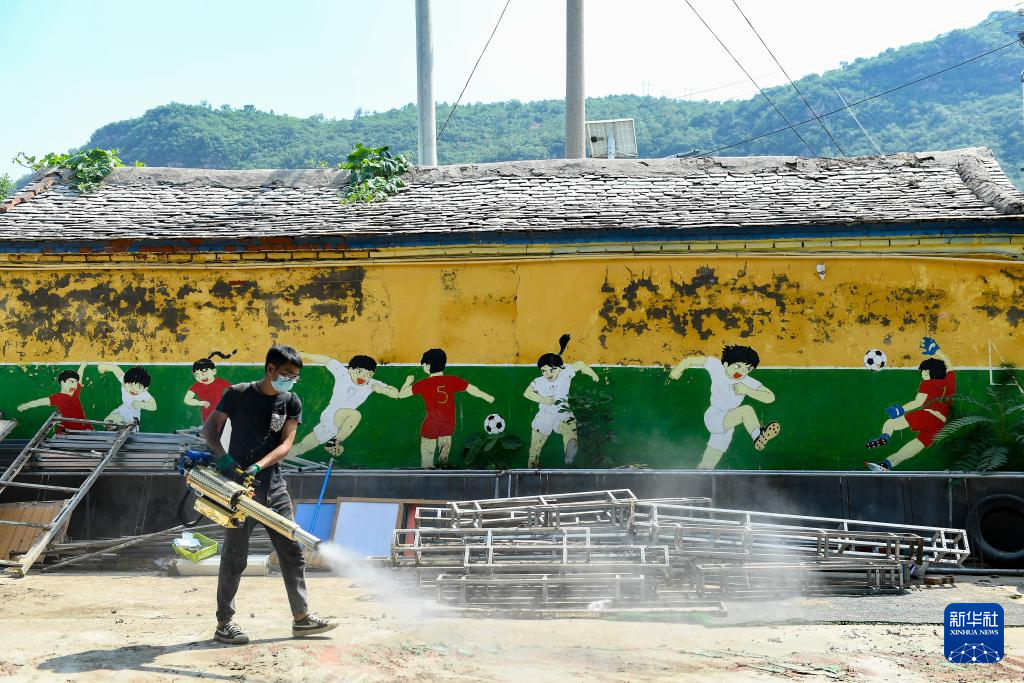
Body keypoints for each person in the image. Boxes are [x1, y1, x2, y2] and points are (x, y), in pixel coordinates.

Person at [201, 344, 337, 645]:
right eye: (287, 374)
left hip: (273, 486)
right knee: (235, 555)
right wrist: (223, 457)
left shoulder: (291, 401)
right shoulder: (237, 394)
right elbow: (210, 430)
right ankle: (225, 623)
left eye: (295, 376)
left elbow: (286, 444)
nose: (291, 380)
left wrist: (259, 465)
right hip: (237, 489)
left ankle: (301, 619)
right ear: (270, 369)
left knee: (291, 552)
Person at [668, 345, 780, 470]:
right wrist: (678, 370)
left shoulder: (747, 381)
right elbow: (691, 360)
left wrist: (748, 390)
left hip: (728, 423)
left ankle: (700, 475)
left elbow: (770, 397)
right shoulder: (716, 367)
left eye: (747, 369)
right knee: (746, 410)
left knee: (710, 460)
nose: (742, 371)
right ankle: (757, 436)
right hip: (714, 416)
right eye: (738, 366)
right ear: (726, 364)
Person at [865, 337, 955, 471]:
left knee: (891, 423)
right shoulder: (949, 382)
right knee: (911, 449)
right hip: (940, 425)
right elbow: (950, 364)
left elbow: (918, 402)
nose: (922, 373)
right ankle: (886, 465)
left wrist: (901, 410)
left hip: (928, 416)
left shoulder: (928, 383)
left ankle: (884, 437)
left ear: (928, 371)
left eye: (923, 371)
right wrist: (937, 351)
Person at [290, 352, 402, 458]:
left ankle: (281, 456)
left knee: (303, 447)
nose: (363, 377)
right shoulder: (342, 373)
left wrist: (382, 389)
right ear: (350, 370)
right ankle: (335, 442)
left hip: (340, 425)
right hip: (332, 415)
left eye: (368, 374)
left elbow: (396, 393)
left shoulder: (371, 383)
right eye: (359, 372)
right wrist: (303, 354)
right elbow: (326, 360)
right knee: (355, 415)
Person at [399, 348, 494, 468]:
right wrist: (487, 396)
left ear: (428, 366)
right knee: (443, 461)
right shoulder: (452, 380)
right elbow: (471, 389)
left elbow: (400, 395)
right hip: (448, 424)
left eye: (423, 365)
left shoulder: (423, 383)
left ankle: (427, 477)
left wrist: (407, 382)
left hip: (431, 425)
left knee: (427, 460)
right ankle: (442, 474)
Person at [523, 334, 599, 468]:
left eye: (552, 370)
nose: (549, 374)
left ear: (560, 368)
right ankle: (532, 465)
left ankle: (569, 450)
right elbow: (527, 393)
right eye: (544, 371)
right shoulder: (539, 382)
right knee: (536, 444)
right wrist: (543, 399)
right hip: (544, 414)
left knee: (570, 428)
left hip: (562, 411)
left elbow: (580, 365)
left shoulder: (565, 373)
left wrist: (593, 374)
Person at [17, 362, 93, 433]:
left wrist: (82, 366)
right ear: (63, 383)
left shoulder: (75, 393)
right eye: (71, 382)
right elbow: (39, 402)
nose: (74, 385)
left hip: (83, 428)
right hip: (69, 430)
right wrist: (25, 406)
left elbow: (80, 375)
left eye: (75, 383)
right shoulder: (57, 397)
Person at [184, 350, 235, 425]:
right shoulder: (197, 386)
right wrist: (199, 402)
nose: (201, 376)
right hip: (207, 417)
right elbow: (187, 399)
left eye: (204, 372)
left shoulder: (220, 382)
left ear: (213, 371)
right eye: (196, 375)